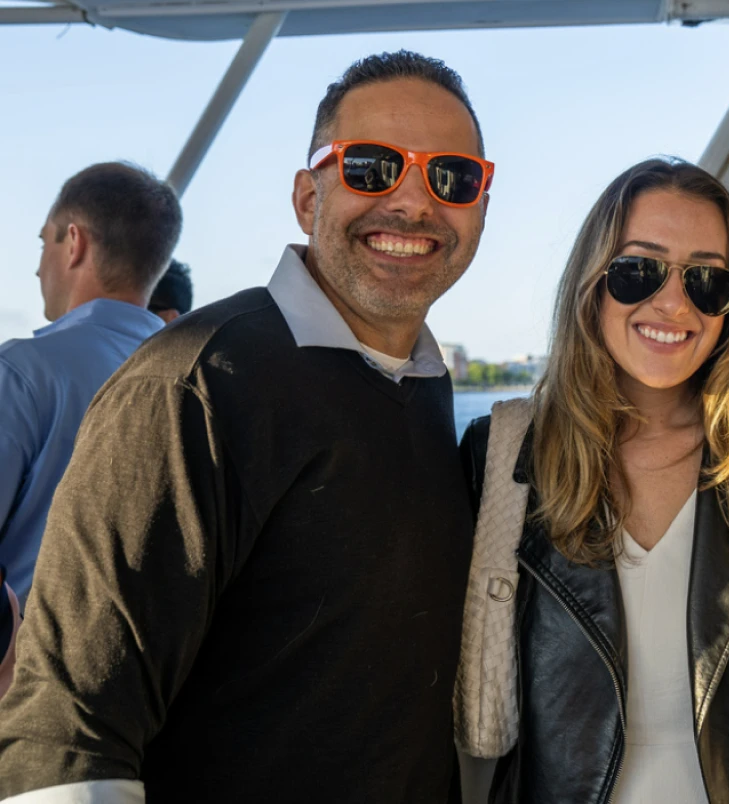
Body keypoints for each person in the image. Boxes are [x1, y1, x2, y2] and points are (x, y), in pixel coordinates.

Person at [0, 50, 492, 803]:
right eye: (371, 167)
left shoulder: (417, 386)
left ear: (481, 207)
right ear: (307, 197)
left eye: (451, 177)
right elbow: (67, 730)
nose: (414, 203)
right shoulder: (193, 385)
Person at [457, 158, 729, 804]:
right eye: (638, 270)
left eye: (706, 281)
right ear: (593, 283)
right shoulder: (506, 457)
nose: (672, 304)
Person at [0, 162, 180, 604]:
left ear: (74, 243)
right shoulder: (199, 382)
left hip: (22, 664)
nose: (38, 269)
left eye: (45, 241)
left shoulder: (23, 373)